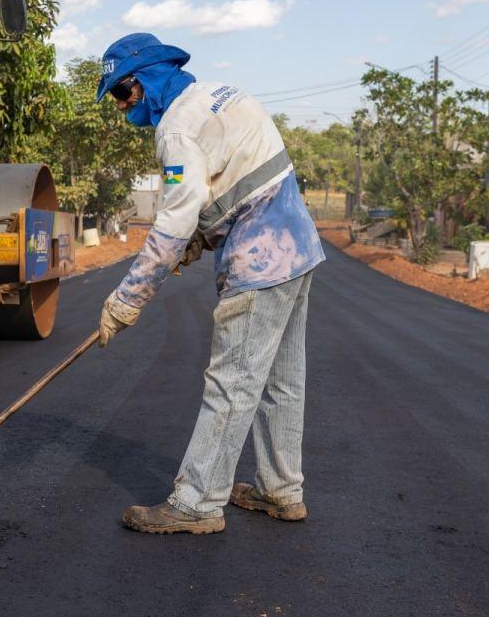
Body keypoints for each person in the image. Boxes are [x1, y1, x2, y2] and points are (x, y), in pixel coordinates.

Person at [95, 33, 325, 535]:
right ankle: (281, 490)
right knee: (283, 381)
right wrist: (204, 235)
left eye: (121, 94)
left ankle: (197, 502)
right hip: (298, 248)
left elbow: (173, 221)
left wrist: (126, 299)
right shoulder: (222, 94)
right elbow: (238, 180)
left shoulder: (177, 131)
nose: (121, 108)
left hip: (260, 260)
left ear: (146, 78)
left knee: (232, 383)